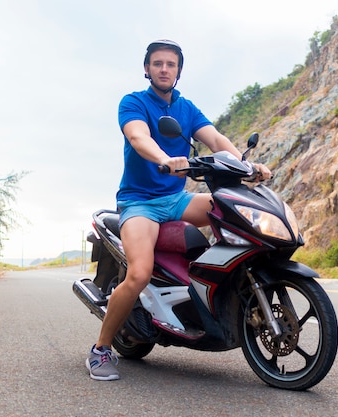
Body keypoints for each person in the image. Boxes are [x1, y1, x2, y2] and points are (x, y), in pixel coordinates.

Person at [86, 39, 272, 381]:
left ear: (178, 71)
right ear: (147, 69)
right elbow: (139, 137)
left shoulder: (186, 108)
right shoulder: (133, 102)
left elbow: (215, 140)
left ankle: (212, 291)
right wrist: (164, 159)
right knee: (139, 273)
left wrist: (248, 167)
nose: (164, 69)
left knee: (234, 210)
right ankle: (100, 350)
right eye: (157, 63)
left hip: (177, 199)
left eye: (170, 64)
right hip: (139, 202)